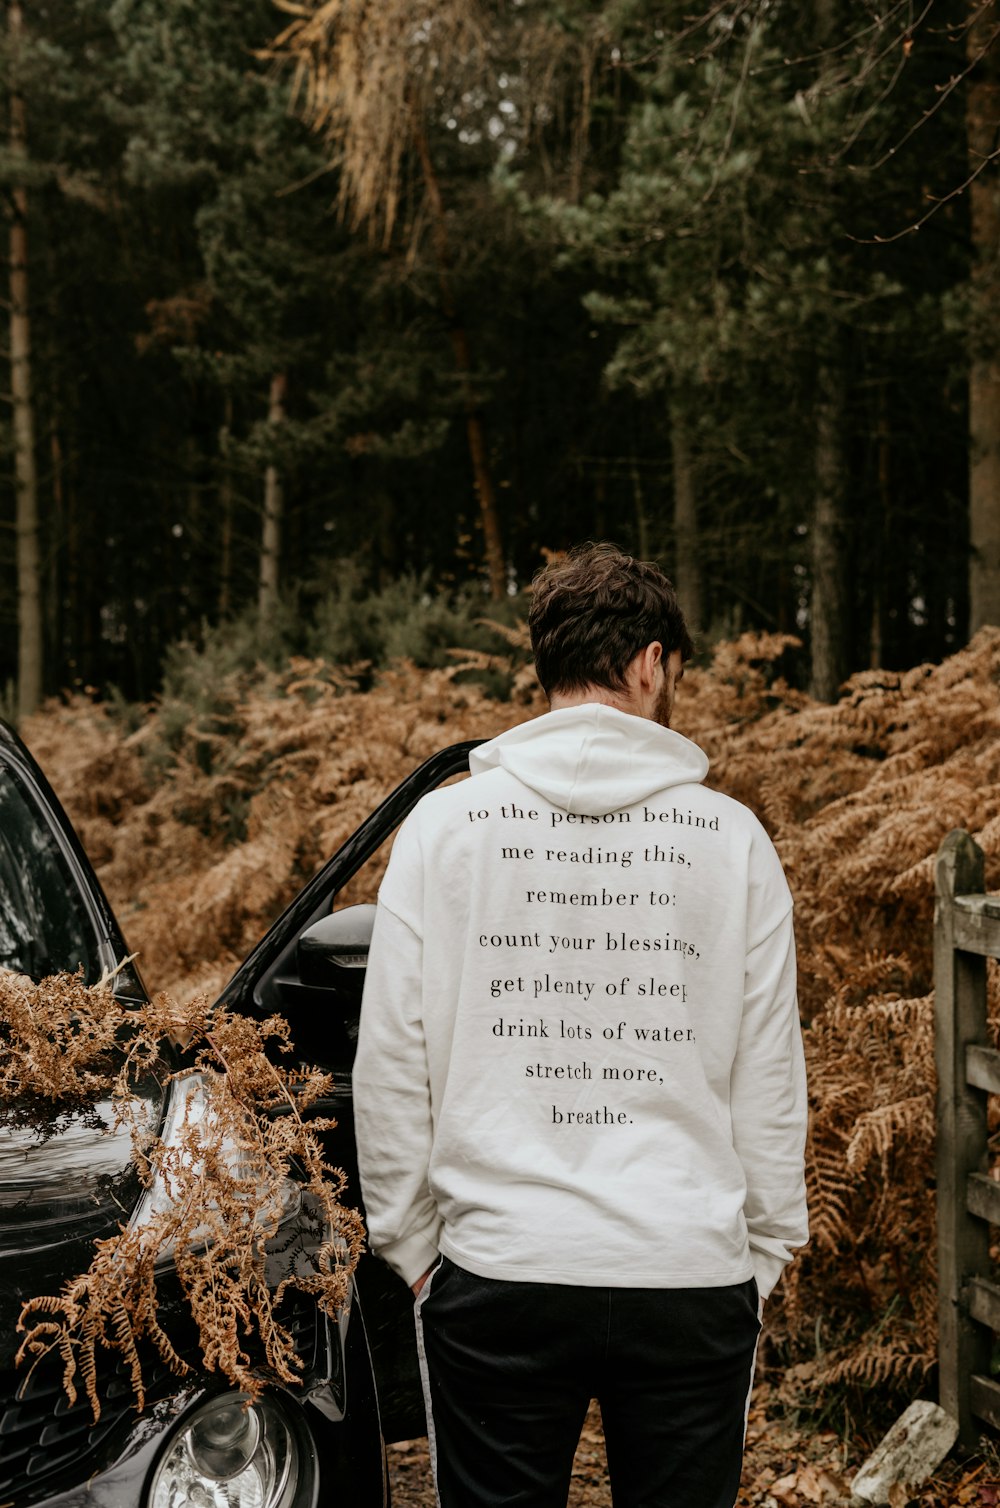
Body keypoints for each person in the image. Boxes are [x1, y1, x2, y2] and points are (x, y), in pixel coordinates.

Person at [352, 543, 808, 1508]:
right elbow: (768, 1072)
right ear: (650, 662)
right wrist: (759, 1254)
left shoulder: (445, 829)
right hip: (688, 1269)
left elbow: (390, 1056)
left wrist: (415, 1252)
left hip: (496, 1266)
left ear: (548, 663)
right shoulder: (732, 843)